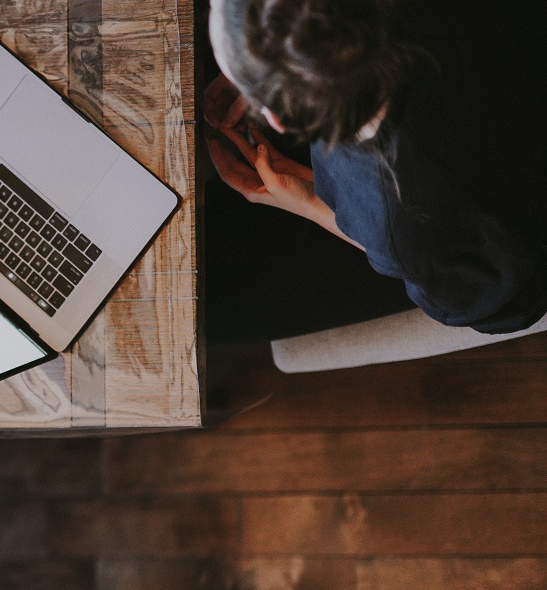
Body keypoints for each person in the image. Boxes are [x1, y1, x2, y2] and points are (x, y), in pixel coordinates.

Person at [202, 0, 547, 340]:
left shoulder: (399, 220)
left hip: (511, 245)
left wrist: (308, 202)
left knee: (221, 303)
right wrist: (285, 66)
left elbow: (503, 309)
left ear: (277, 119)